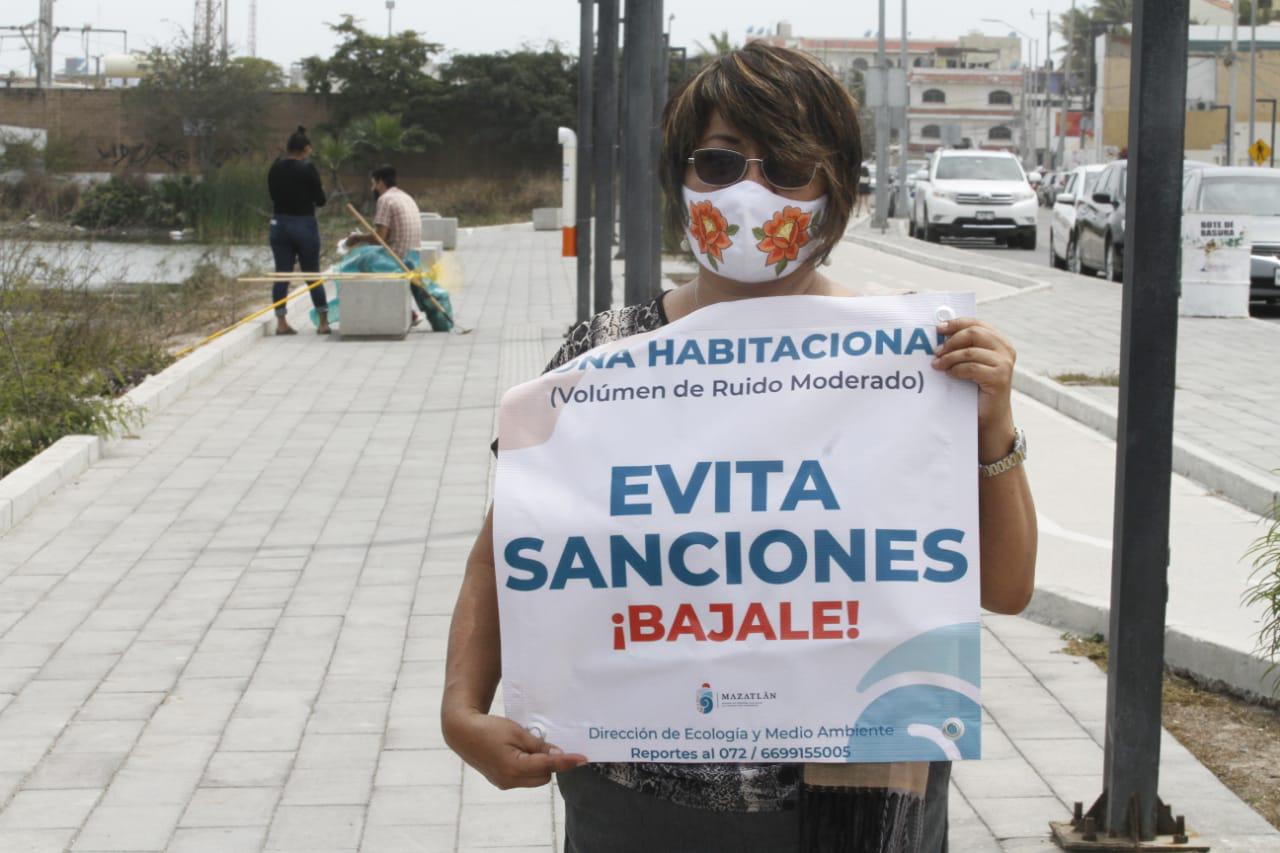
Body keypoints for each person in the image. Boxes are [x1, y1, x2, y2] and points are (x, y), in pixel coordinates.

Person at [442, 43, 1037, 853]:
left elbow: (1003, 588)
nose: (748, 193)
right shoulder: (605, 357)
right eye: (719, 163)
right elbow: (503, 555)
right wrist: (462, 711)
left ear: (836, 191)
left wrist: (993, 426)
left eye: (787, 166)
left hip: (855, 804)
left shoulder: (916, 361)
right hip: (638, 803)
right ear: (680, 179)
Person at [346, 164, 429, 326]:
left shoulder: (385, 200)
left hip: (398, 258)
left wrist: (357, 238)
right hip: (413, 255)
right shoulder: (405, 196)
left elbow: (379, 238)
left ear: (380, 183)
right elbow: (387, 234)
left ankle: (368, 314)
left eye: (373, 184)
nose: (372, 189)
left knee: (358, 262)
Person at [267, 126, 330, 335]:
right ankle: (323, 322)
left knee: (282, 274)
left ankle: (281, 323)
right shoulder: (308, 168)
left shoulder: (275, 168)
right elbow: (320, 200)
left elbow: (273, 195)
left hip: (279, 224)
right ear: (304, 149)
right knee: (312, 273)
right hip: (303, 224)